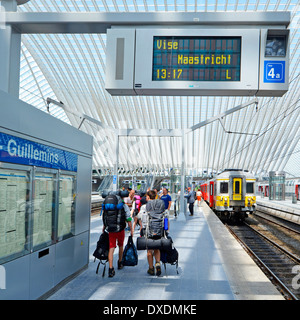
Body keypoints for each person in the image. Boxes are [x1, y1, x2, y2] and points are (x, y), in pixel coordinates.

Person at [102, 191, 133, 278]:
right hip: (120, 229)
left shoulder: (108, 205)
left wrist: (104, 227)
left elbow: (105, 216)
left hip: (111, 230)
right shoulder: (123, 205)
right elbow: (128, 218)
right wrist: (131, 229)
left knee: (111, 248)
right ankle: (120, 262)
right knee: (120, 246)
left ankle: (110, 268)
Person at [144, 190, 164, 276]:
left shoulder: (147, 205)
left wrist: (143, 229)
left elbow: (144, 218)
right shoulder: (161, 203)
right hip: (159, 229)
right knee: (157, 248)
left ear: (148, 197)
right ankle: (158, 263)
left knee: (149, 250)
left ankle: (151, 269)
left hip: (150, 230)